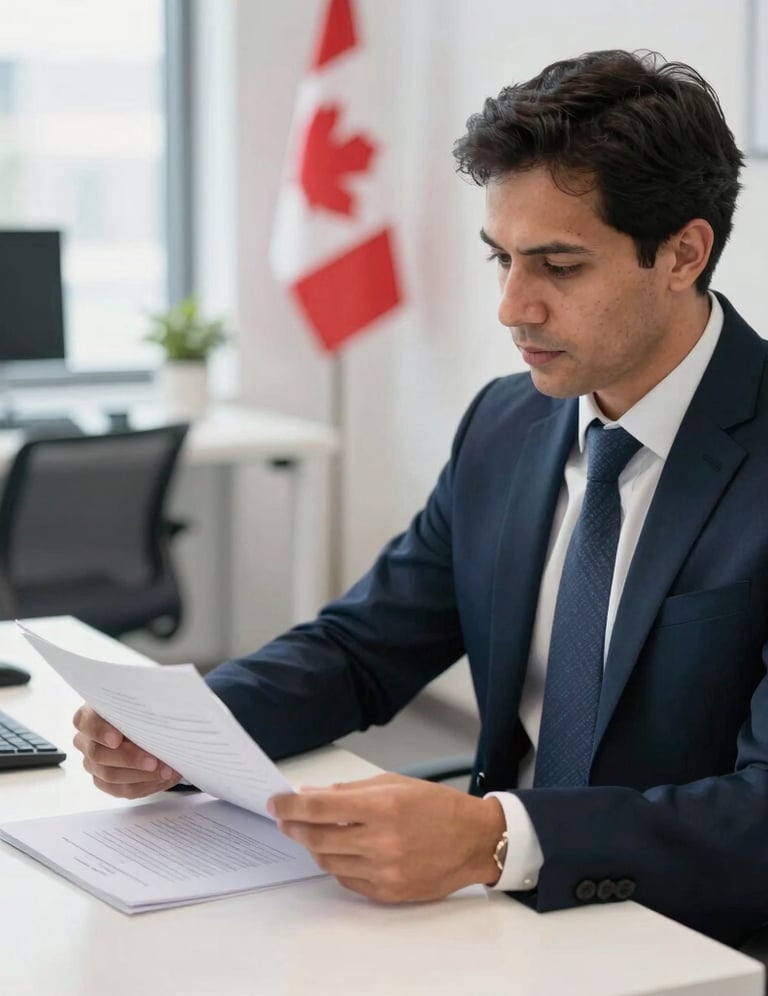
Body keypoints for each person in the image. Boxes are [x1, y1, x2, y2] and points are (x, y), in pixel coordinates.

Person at [72, 49, 768, 947]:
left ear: (683, 253)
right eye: (502, 259)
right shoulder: (508, 423)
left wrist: (496, 839)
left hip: (693, 938)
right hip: (495, 918)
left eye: (558, 266)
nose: (513, 308)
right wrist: (188, 730)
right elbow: (366, 647)